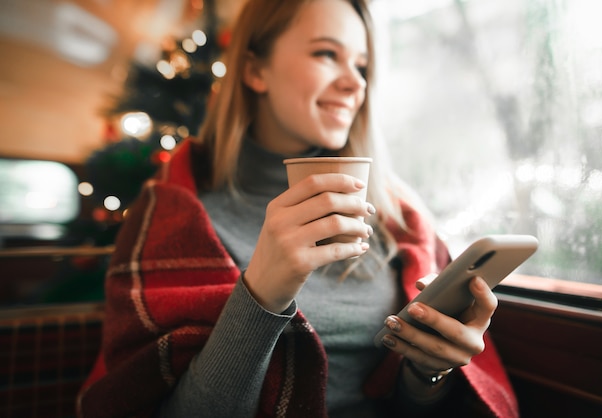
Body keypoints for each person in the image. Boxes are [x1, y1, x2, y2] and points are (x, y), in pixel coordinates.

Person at [77, 0, 518, 417]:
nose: (356, 82)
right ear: (254, 70)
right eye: (327, 54)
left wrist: (427, 372)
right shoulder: (172, 216)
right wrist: (263, 291)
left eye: (361, 65)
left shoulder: (401, 219)